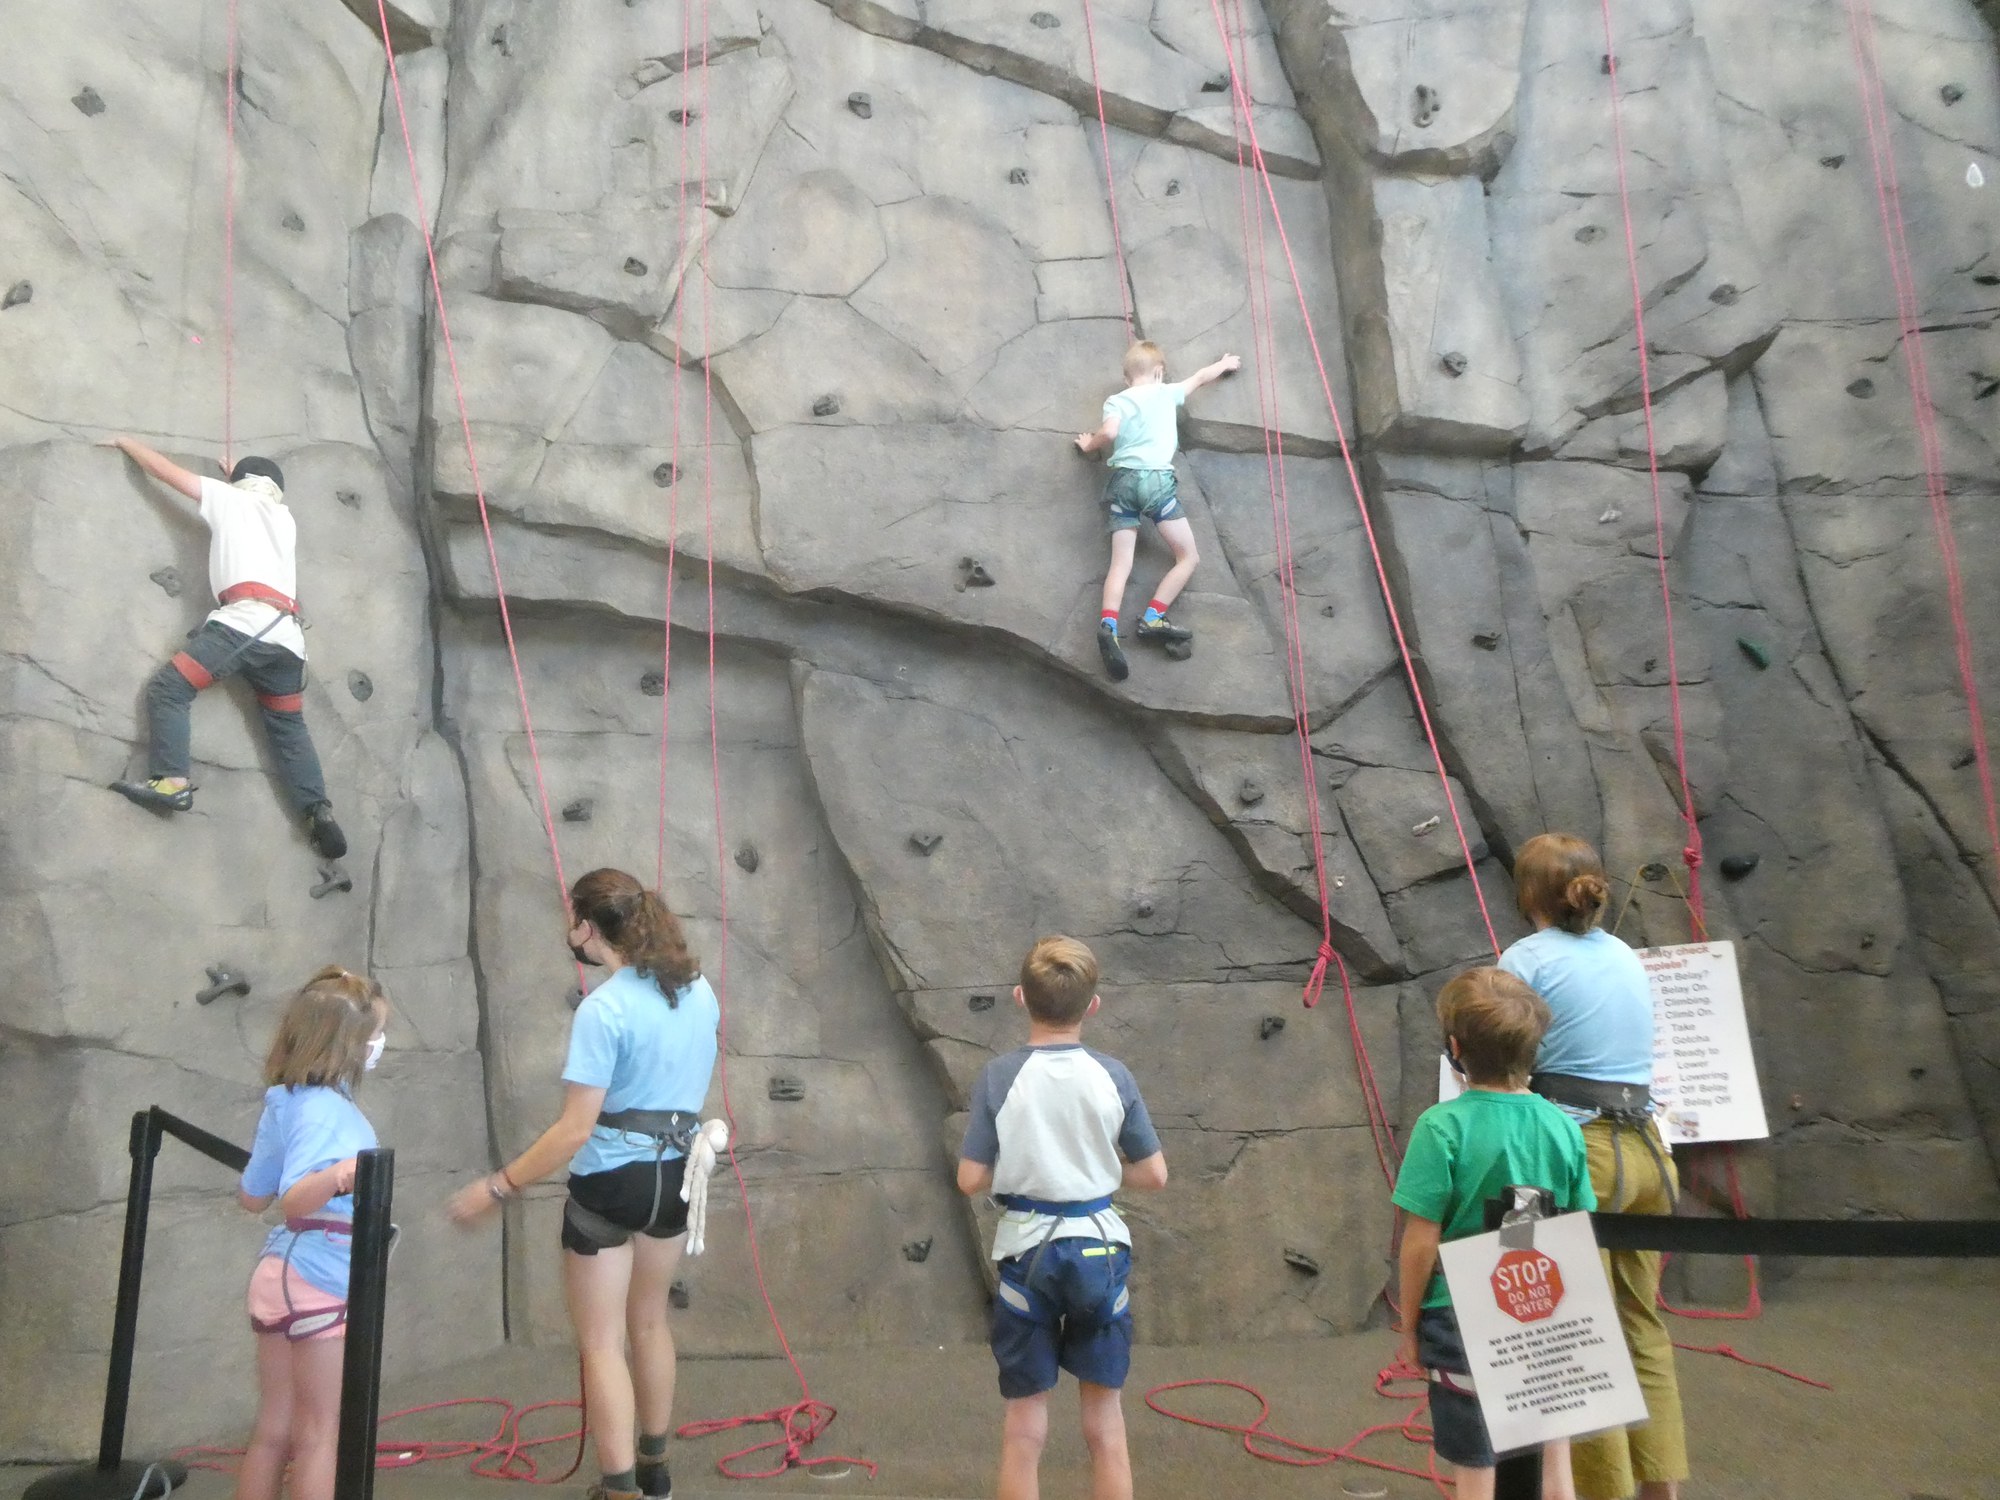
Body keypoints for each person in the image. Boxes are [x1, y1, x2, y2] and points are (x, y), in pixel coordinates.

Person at [448, 869, 722, 1500]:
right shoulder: (699, 991)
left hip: (612, 1182)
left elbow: (575, 1131)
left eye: (570, 918)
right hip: (674, 1177)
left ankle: (620, 1487)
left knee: (602, 1342)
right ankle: (656, 1471)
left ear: (588, 928)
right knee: (650, 1323)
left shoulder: (604, 1009)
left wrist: (498, 1186)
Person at [1499, 833, 1686, 1500]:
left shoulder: (1523, 959)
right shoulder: (1625, 955)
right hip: (1647, 1152)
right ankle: (1660, 1490)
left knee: (1577, 1339)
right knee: (1642, 1324)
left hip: (1579, 1154)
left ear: (1528, 896)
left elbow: (1505, 1068)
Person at [956, 936, 1168, 1500]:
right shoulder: (1113, 1075)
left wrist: (1025, 1170)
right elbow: (1155, 1174)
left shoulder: (1000, 1077)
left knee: (1024, 1426)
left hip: (1028, 1254)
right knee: (1106, 1424)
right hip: (1100, 1251)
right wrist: (1096, 1173)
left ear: (1020, 997)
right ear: (1092, 1005)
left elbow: (969, 1179)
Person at [1391, 967, 1593, 1500]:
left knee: (1475, 1471)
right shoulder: (1564, 1128)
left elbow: (1420, 1242)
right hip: (1547, 1308)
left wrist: (1409, 1325)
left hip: (1460, 1314)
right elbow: (1577, 1230)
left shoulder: (1441, 1127)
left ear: (1455, 1048)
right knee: (1554, 1467)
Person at [105, 436, 346, 860]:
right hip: (286, 641)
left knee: (169, 689)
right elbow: (256, 490)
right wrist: (236, 473)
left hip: (242, 628)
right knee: (288, 728)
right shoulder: (284, 518)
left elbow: (164, 472)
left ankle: (171, 782)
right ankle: (317, 810)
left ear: (239, 483)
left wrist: (127, 443)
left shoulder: (227, 500)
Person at [235, 966, 390, 1500]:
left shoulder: (286, 1100)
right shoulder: (328, 1113)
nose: (378, 1047)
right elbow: (297, 1198)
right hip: (322, 1272)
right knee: (320, 1433)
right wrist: (338, 1174)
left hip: (277, 1272)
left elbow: (254, 1197)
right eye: (372, 1037)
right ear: (346, 1043)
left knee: (273, 1427)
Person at [1073, 341, 1240, 682]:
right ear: (1159, 372)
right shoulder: (1168, 391)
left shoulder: (1117, 400)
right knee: (1187, 556)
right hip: (1156, 483)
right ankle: (1153, 617)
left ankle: (1109, 625)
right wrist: (1223, 365)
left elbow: (1109, 431)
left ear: (1126, 377)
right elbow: (1200, 378)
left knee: (1121, 563)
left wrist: (1088, 444)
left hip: (1121, 483)